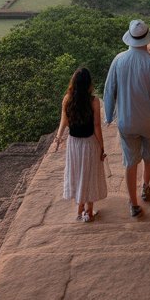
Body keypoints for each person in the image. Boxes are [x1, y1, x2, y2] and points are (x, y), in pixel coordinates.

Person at [104, 19, 150, 217]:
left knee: (130, 162)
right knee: (149, 155)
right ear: (147, 40)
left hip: (126, 120)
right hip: (148, 120)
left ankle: (133, 203)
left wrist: (108, 115)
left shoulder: (119, 60)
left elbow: (109, 90)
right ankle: (145, 187)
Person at [53, 67, 107, 222]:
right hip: (89, 143)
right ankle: (89, 212)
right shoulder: (94, 101)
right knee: (89, 175)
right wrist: (101, 147)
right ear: (89, 84)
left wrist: (58, 138)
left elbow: (64, 121)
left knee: (77, 174)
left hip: (73, 144)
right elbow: (97, 126)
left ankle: (79, 209)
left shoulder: (67, 99)